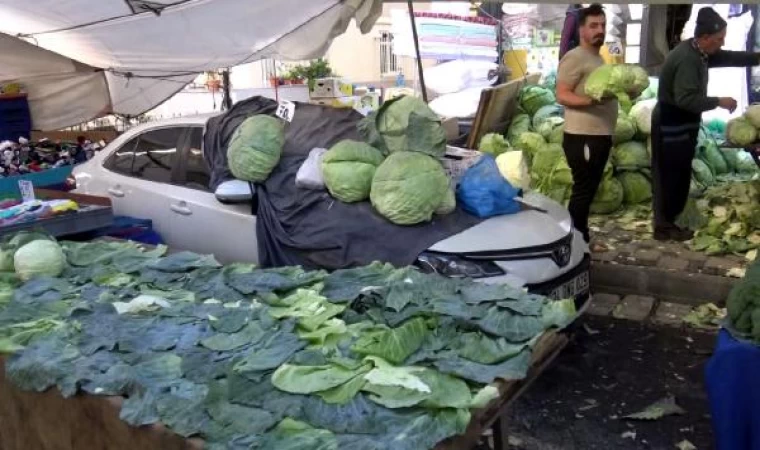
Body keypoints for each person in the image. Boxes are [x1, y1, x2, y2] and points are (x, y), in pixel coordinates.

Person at [651, 7, 760, 241]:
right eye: (719, 39)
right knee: (670, 177)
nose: (721, 44)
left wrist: (757, 58)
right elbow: (686, 99)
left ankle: (673, 222)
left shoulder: (700, 50)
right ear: (705, 37)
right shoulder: (687, 58)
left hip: (683, 125)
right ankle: (665, 227)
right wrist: (720, 101)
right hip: (671, 126)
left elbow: (729, 56)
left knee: (680, 175)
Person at [555, 3, 617, 245]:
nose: (599, 30)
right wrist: (592, 100)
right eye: (593, 25)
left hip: (598, 135)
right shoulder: (574, 58)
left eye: (602, 25)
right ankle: (576, 243)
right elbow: (561, 95)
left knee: (588, 190)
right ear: (581, 30)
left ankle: (581, 238)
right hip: (582, 137)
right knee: (583, 191)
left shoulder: (597, 58)